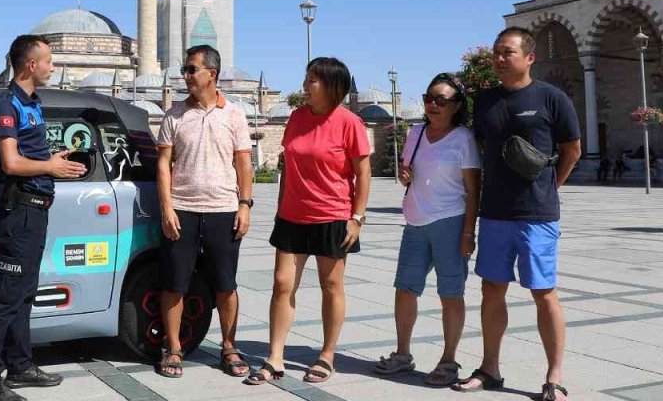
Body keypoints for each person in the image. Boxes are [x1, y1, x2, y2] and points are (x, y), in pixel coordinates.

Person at [453, 27, 580, 401]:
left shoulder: (552, 98)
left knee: (543, 292)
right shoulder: (485, 101)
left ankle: (554, 377)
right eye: (496, 52)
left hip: (536, 214)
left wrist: (550, 187)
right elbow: (478, 149)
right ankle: (490, 368)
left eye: (507, 52)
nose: (499, 58)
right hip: (495, 212)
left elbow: (572, 149)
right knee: (492, 289)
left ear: (529, 58)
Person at [0, 35, 85, 401]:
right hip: (19, 212)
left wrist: (54, 159)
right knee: (5, 298)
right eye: (49, 60)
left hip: (36, 211)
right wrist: (50, 166)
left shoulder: (33, 103)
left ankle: (20, 366)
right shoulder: (7, 104)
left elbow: (30, 155)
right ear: (30, 65)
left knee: (23, 294)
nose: (53, 66)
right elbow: (10, 163)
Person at [246, 57, 371, 386]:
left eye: (312, 80)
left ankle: (327, 354)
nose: (305, 85)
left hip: (333, 216)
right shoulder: (297, 118)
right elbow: (288, 165)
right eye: (307, 78)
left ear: (332, 86)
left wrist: (357, 217)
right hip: (292, 216)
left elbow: (363, 173)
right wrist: (280, 206)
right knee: (282, 284)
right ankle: (275, 357)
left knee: (331, 286)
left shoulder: (349, 123)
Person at [374, 74, 480, 386]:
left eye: (441, 100)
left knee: (451, 293)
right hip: (415, 221)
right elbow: (408, 174)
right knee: (405, 288)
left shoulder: (463, 138)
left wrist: (468, 233)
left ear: (456, 105)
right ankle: (402, 354)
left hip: (450, 221)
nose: (432, 105)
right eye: (428, 98)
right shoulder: (416, 133)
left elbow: (473, 190)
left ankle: (448, 361)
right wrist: (404, 176)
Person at [155, 44, 254, 379]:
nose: (185, 75)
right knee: (174, 283)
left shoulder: (234, 114)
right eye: (184, 69)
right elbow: (164, 164)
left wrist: (245, 205)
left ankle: (229, 347)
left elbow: (244, 163)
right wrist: (167, 208)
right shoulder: (174, 115)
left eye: (191, 69)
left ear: (212, 74)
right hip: (182, 210)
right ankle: (173, 348)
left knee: (226, 284)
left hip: (223, 210)